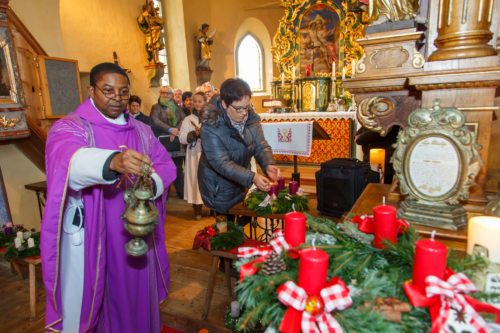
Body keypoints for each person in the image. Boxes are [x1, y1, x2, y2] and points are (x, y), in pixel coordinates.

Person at [41, 62, 176, 332]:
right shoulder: (72, 127)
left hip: (137, 231)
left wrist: (149, 187)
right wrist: (112, 162)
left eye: (123, 92)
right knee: (100, 297)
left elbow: (167, 166)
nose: (117, 98)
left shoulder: (142, 131)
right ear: (91, 90)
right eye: (108, 90)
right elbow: (68, 159)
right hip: (97, 233)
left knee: (139, 296)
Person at [198, 78, 279, 214]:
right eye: (238, 108)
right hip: (219, 185)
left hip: (240, 179)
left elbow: (260, 144)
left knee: (242, 221)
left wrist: (268, 163)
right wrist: (252, 177)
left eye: (246, 107)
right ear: (224, 104)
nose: (244, 113)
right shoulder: (211, 125)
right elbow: (221, 163)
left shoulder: (250, 117)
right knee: (226, 228)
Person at [151, 85, 186, 199]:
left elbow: (183, 119)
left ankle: (181, 192)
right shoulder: (156, 107)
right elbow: (155, 121)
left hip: (176, 141)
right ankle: (164, 194)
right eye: (162, 93)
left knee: (178, 168)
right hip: (163, 142)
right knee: (163, 168)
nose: (165, 95)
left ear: (172, 95)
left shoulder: (177, 107)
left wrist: (176, 130)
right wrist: (170, 130)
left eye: (167, 93)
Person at [179, 92, 206, 220]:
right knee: (195, 179)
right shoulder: (187, 119)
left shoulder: (210, 118)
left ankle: (213, 207)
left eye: (200, 101)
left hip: (208, 153)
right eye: (195, 101)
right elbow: (182, 138)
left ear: (205, 102)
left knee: (209, 179)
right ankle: (197, 209)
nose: (197, 103)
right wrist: (194, 134)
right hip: (195, 154)